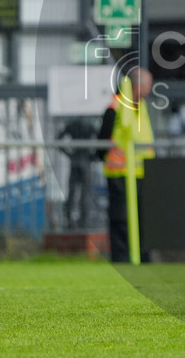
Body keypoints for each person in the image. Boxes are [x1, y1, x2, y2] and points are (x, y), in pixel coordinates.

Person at [97, 67, 155, 263]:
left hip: (140, 172)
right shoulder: (116, 105)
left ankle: (141, 257)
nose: (149, 89)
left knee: (142, 219)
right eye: (148, 85)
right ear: (137, 85)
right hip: (119, 172)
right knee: (120, 218)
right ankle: (121, 259)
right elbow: (103, 139)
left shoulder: (141, 104)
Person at [58, 117, 99, 229]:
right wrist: (93, 156)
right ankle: (83, 221)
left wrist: (69, 154)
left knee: (72, 192)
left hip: (76, 160)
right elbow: (100, 139)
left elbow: (58, 139)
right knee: (85, 193)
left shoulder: (72, 124)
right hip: (85, 161)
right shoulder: (89, 125)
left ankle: (69, 220)